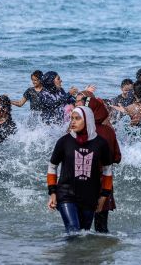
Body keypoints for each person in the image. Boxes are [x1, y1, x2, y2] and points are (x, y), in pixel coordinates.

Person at [46, 106, 113, 233]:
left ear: (87, 120)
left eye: (77, 119)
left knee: (83, 233)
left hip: (90, 196)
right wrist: (52, 192)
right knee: (73, 231)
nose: (73, 122)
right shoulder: (64, 141)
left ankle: (76, 253)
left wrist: (104, 196)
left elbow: (107, 170)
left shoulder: (100, 143)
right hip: (66, 194)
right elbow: (52, 166)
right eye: (72, 118)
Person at [75, 92, 121, 233]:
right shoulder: (109, 131)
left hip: (82, 179)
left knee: (81, 226)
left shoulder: (81, 130)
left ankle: (81, 252)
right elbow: (117, 157)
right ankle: (103, 251)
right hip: (103, 180)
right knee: (101, 225)